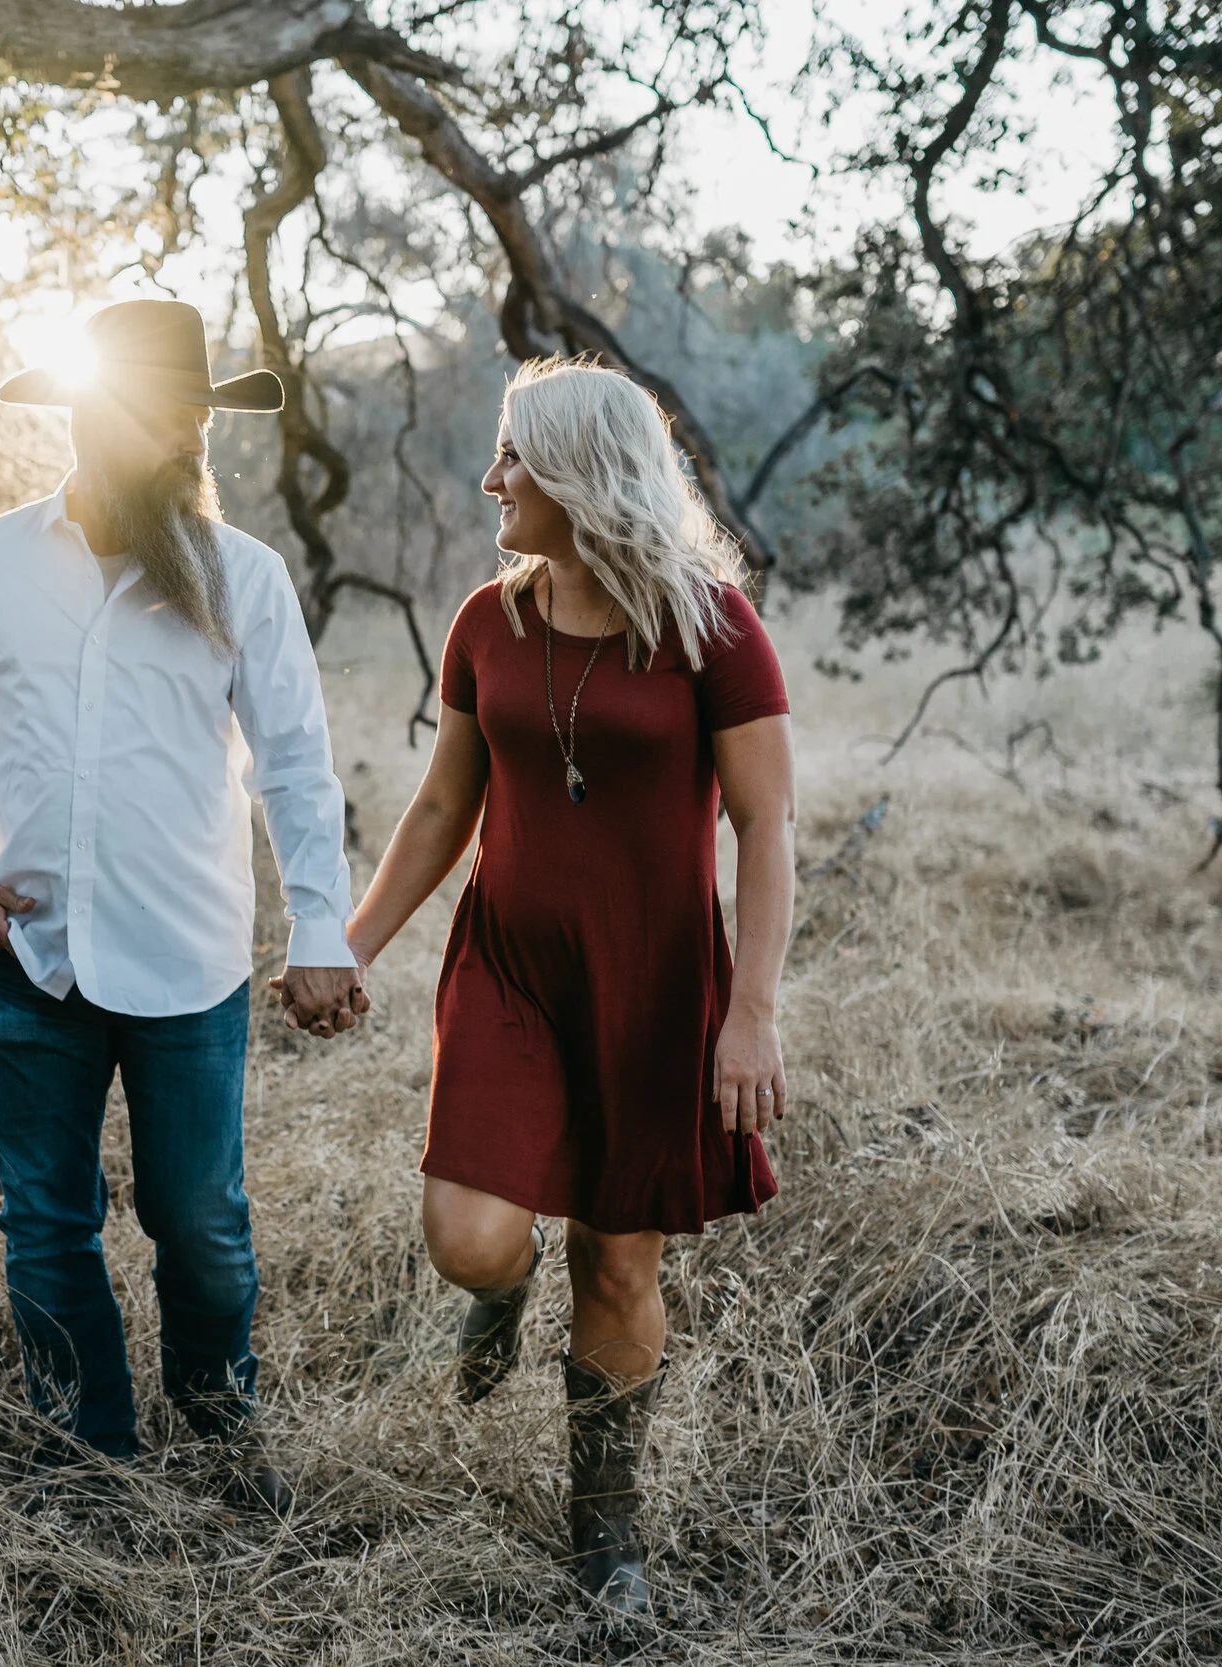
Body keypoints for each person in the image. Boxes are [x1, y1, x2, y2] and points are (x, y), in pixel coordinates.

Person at [0, 299, 364, 1511]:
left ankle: (215, 1424)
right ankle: (86, 1451)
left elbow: (298, 765)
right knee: (46, 1221)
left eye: (193, 419)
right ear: (93, 417)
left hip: (188, 957)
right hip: (29, 953)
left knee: (199, 1219)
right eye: (160, 417)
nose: (181, 441)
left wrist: (322, 931)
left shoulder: (240, 576)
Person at [343, 358, 797, 1612]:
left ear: (582, 474)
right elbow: (446, 801)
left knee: (616, 1265)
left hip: (656, 987)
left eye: (513, 459)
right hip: (510, 966)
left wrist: (747, 1012)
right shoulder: (488, 619)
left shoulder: (711, 624)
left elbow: (766, 825)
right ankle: (496, 1294)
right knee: (470, 1233)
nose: (491, 479)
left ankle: (608, 1532)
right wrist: (351, 939)